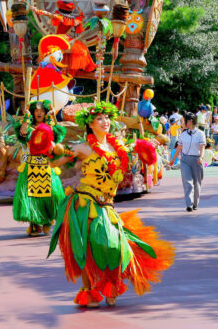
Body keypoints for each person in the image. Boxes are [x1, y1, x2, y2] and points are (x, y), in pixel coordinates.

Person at [47, 101, 174, 308]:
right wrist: (46, 150)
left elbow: (140, 150)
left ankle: (111, 284)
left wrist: (154, 143)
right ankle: (88, 292)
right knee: (87, 247)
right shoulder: (83, 148)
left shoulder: (119, 146)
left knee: (113, 246)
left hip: (107, 205)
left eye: (107, 118)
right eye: (99, 118)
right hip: (84, 203)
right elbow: (56, 161)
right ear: (90, 124)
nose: (105, 121)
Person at [12, 100, 66, 237]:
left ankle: (47, 219)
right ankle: (34, 223)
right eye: (36, 110)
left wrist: (52, 117)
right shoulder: (29, 128)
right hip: (31, 166)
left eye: (42, 110)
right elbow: (23, 133)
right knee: (31, 197)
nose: (39, 112)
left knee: (52, 195)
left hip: (46, 166)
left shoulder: (49, 125)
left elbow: (55, 138)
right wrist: (26, 117)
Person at [173, 112, 205, 212]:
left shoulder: (200, 133)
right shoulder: (182, 134)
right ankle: (189, 204)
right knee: (187, 182)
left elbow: (202, 147)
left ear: (190, 121)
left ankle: (195, 203)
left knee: (197, 183)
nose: (183, 123)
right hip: (185, 160)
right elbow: (179, 147)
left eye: (185, 121)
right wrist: (172, 160)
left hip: (196, 159)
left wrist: (201, 157)